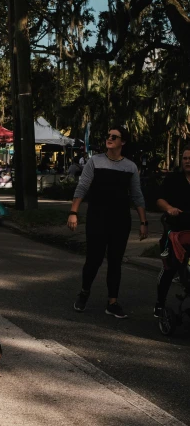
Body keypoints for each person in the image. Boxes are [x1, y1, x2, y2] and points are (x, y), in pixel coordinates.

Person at [67, 126, 147, 318]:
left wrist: (143, 222)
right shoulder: (95, 161)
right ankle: (84, 292)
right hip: (97, 218)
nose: (109, 139)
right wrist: (73, 212)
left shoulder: (130, 167)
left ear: (123, 142)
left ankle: (112, 302)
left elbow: (137, 196)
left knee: (115, 262)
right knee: (94, 259)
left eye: (114, 136)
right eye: (108, 135)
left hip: (120, 221)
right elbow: (82, 187)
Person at [154, 147, 190, 318]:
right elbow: (159, 199)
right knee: (170, 268)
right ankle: (160, 304)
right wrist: (169, 208)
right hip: (174, 232)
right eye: (185, 158)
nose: (187, 161)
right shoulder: (173, 179)